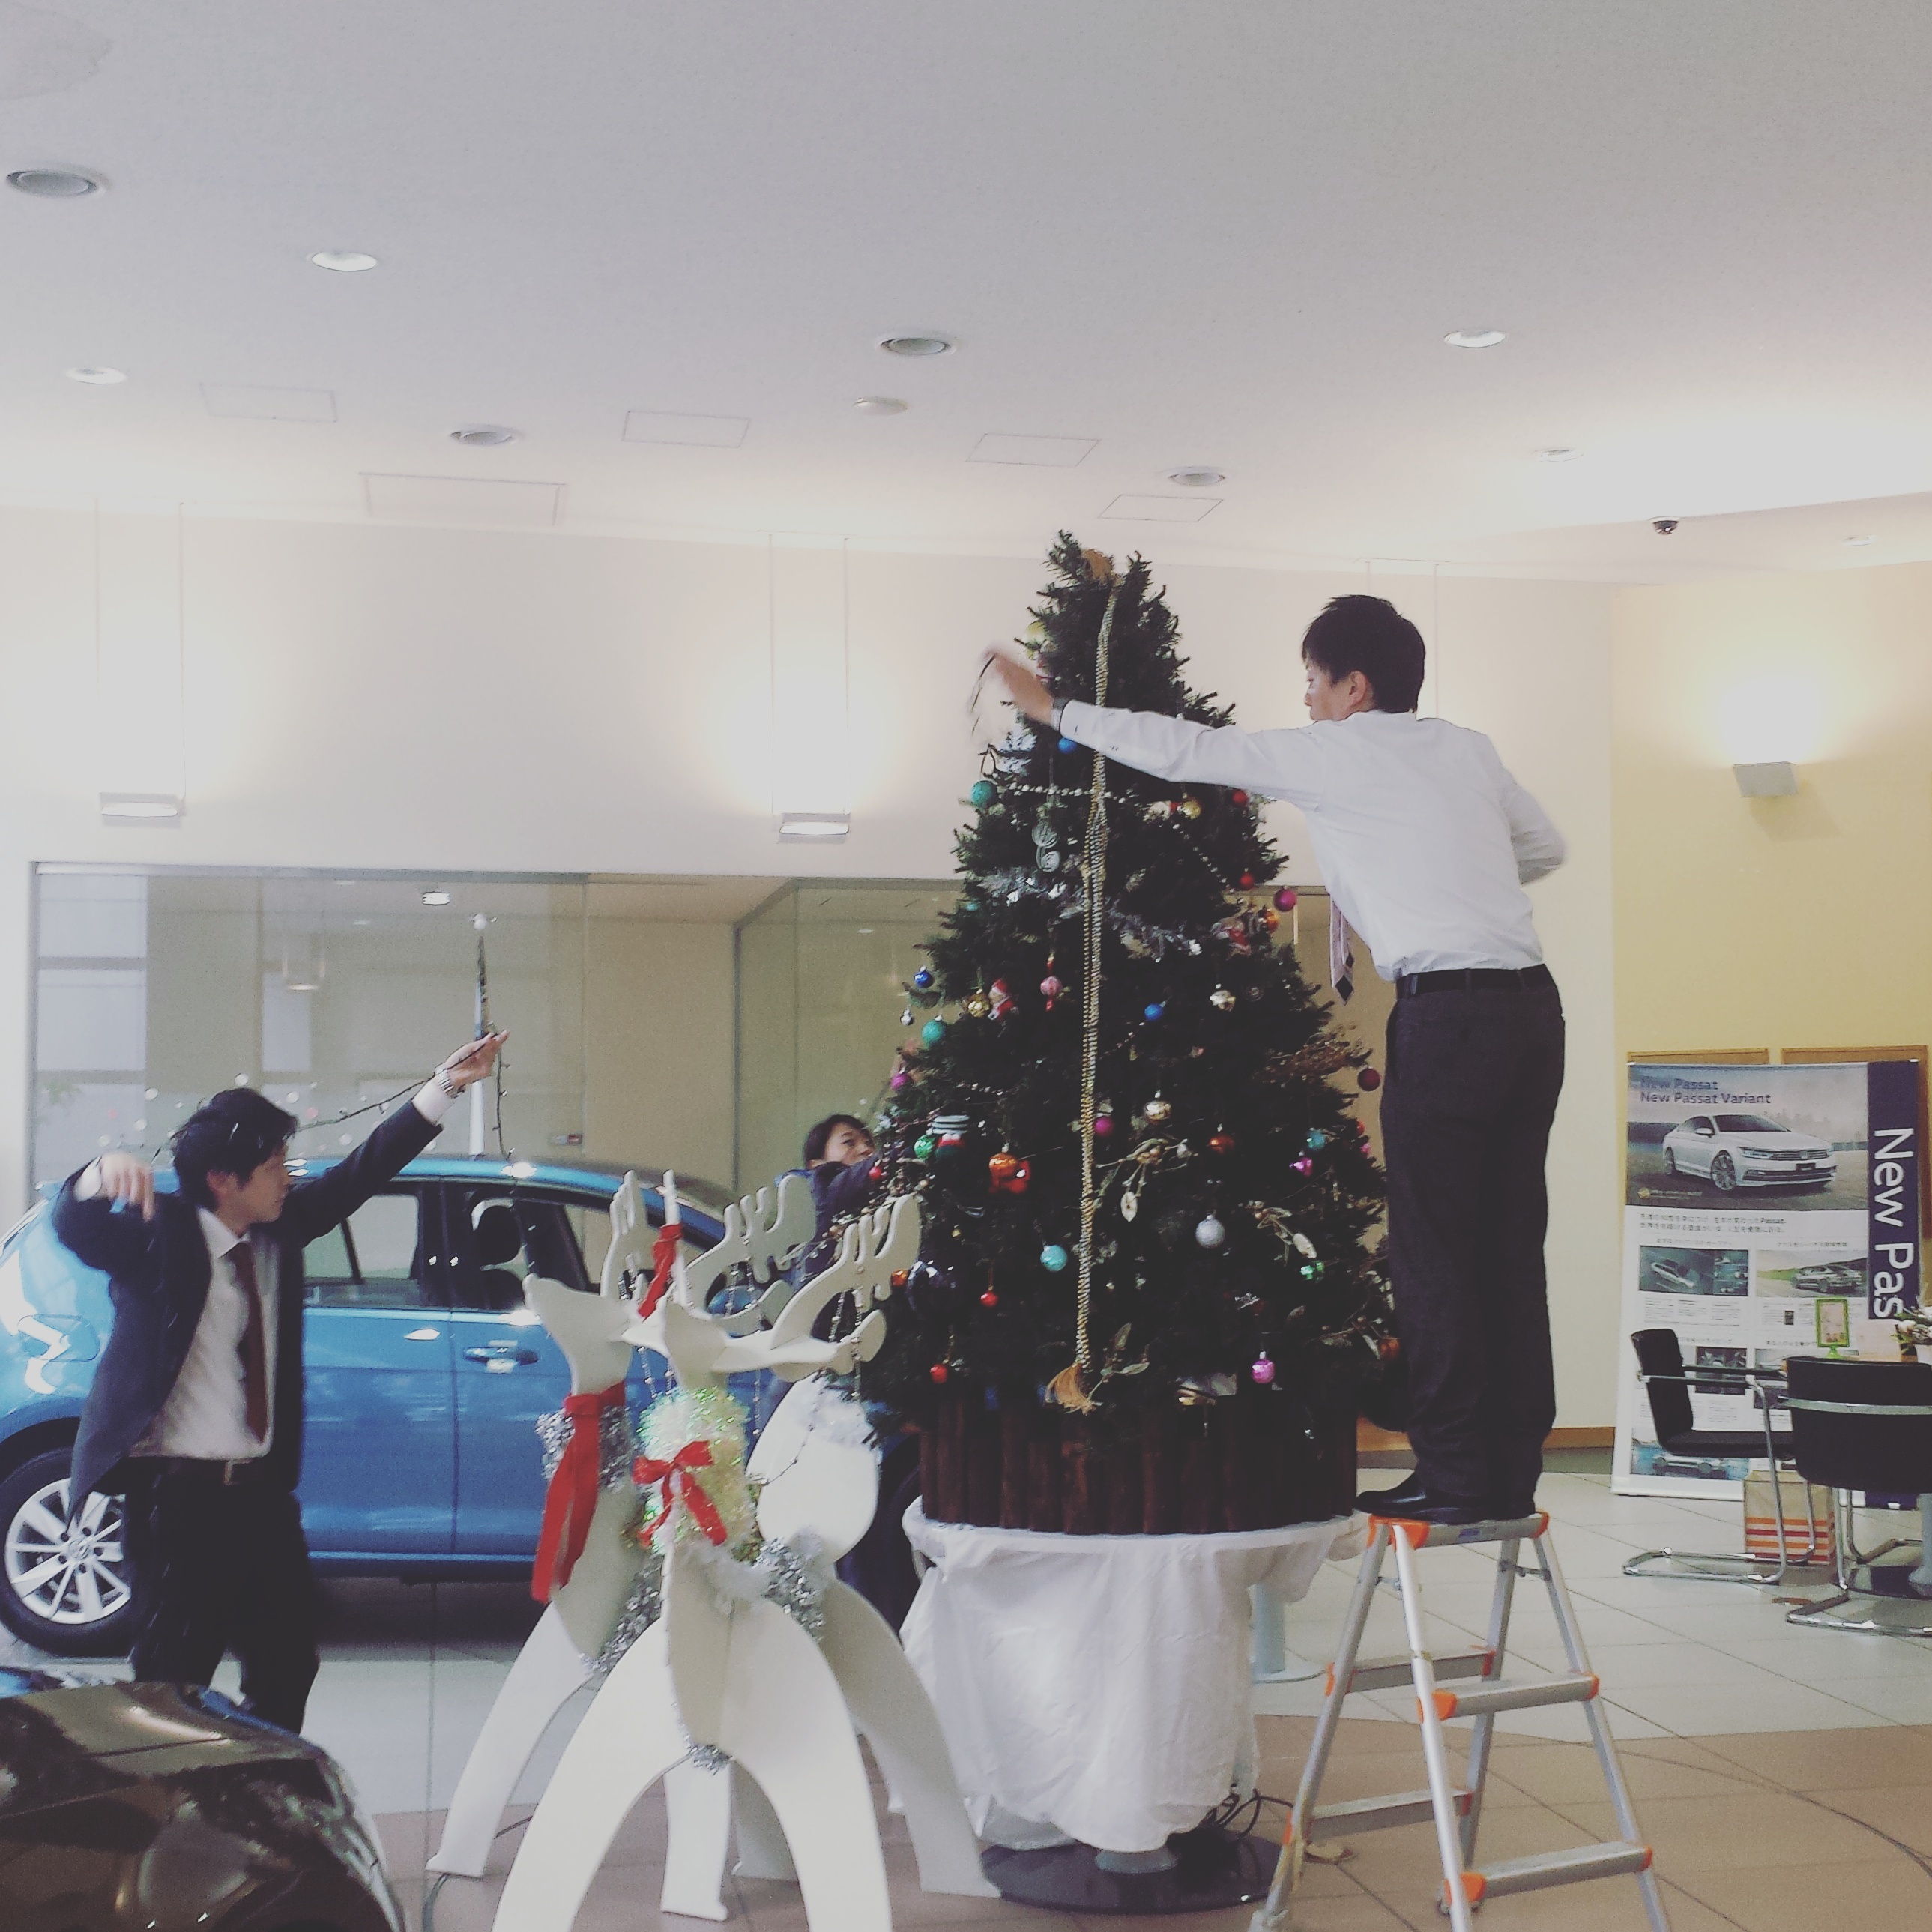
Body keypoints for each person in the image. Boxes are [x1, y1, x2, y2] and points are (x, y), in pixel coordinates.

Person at [985, 596, 1566, 1525]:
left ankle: (1457, 1476)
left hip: (1448, 1021)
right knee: (1508, 1244)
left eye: (1312, 683)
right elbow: (1544, 847)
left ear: (1353, 686)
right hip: (1531, 1012)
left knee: (1435, 1253)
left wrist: (1055, 709)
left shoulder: (1334, 753)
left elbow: (1185, 749)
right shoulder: (1467, 749)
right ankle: (1507, 1470)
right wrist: (1451, 880)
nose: (1306, 701)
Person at [53, 1032, 507, 1730]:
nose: (288, 1178)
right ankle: (181, 1792)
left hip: (263, 1501)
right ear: (222, 1180)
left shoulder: (279, 1229)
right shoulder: (158, 1236)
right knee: (172, 1684)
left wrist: (445, 1086)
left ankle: (263, 1784)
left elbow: (362, 1171)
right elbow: (76, 1228)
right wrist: (95, 1174)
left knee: (288, 1665)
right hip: (180, 1507)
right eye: (273, 1167)